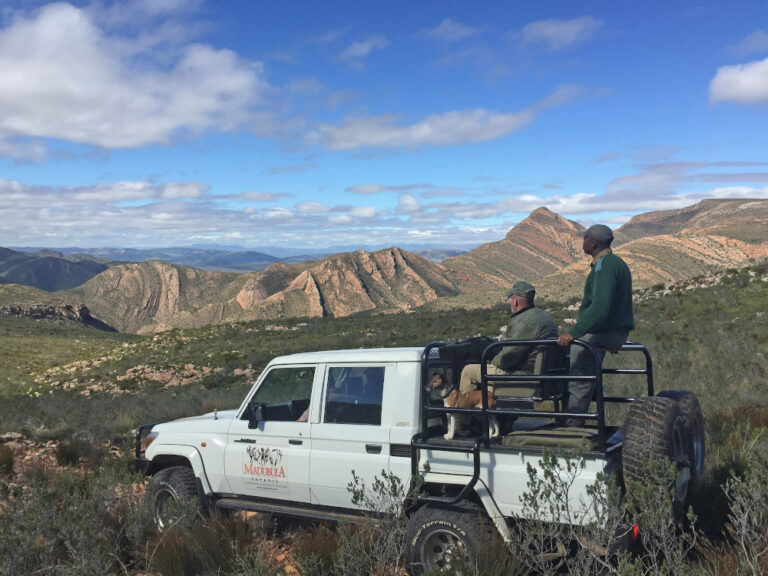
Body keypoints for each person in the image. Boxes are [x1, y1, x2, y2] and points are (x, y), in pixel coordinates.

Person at [557, 224, 634, 426]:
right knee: (585, 374)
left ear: (593, 242)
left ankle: (572, 428)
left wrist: (574, 333)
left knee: (579, 376)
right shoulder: (615, 263)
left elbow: (600, 308)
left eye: (585, 238)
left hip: (605, 332)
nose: (582, 241)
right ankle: (581, 419)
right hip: (613, 331)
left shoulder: (604, 266)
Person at [459, 281, 558, 395]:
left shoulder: (523, 321)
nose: (509, 302)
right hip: (541, 373)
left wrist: (493, 361)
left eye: (510, 299)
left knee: (468, 371)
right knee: (487, 388)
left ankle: (462, 412)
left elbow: (508, 357)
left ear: (515, 300)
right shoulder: (544, 316)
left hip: (523, 375)